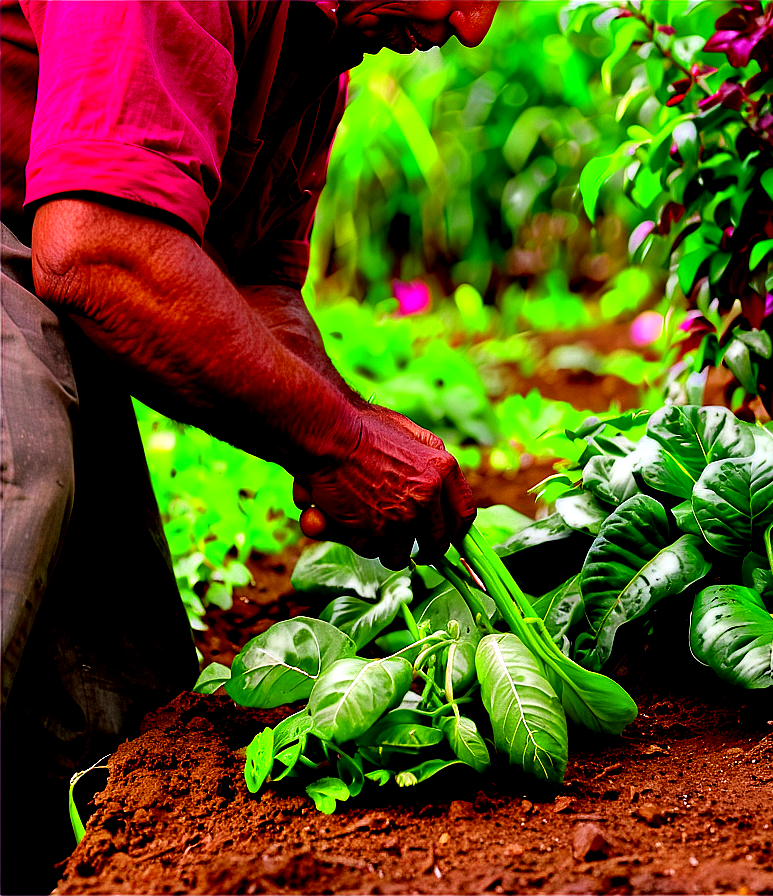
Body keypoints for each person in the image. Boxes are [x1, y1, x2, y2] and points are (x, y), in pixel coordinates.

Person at [0, 1, 498, 891]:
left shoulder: (318, 54)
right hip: (48, 237)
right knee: (19, 473)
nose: (470, 27)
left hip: (36, 236)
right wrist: (341, 447)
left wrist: (359, 428)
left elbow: (252, 284)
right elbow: (96, 250)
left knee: (117, 703)